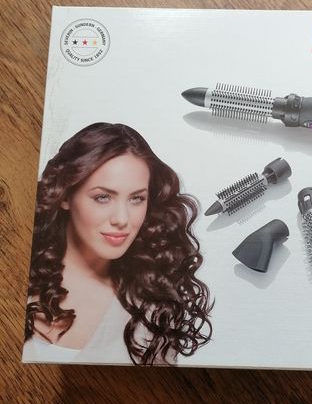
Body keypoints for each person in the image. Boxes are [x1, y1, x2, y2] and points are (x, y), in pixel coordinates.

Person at [23, 122, 212, 365]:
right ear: (65, 195)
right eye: (103, 197)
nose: (122, 219)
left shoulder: (153, 314)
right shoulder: (16, 271)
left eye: (137, 198)